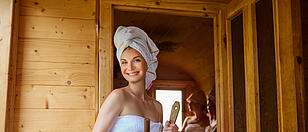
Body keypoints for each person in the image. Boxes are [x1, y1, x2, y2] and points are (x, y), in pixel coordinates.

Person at [92, 26, 178, 132]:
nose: (130, 68)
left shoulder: (157, 107)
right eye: (124, 62)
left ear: (147, 64)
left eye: (136, 60)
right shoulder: (118, 97)